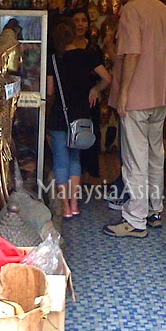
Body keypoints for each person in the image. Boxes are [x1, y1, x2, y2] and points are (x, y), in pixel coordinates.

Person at [103, 0, 166, 238]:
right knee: (155, 155)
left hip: (137, 98)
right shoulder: (162, 8)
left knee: (135, 159)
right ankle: (154, 211)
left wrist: (124, 93)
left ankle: (135, 220)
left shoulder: (131, 10)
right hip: (161, 95)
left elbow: (132, 53)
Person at [47, 20, 111, 219]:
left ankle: (65, 206)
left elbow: (49, 91)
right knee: (75, 160)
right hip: (81, 115)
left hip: (60, 115)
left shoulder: (54, 60)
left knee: (60, 161)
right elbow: (108, 78)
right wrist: (95, 89)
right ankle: (75, 204)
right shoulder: (87, 56)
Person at [72, 9, 103, 183]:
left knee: (90, 134)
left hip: (90, 99)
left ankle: (88, 175)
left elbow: (104, 76)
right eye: (76, 20)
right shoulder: (64, 48)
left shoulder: (93, 49)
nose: (80, 24)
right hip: (71, 99)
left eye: (83, 20)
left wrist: (97, 89)